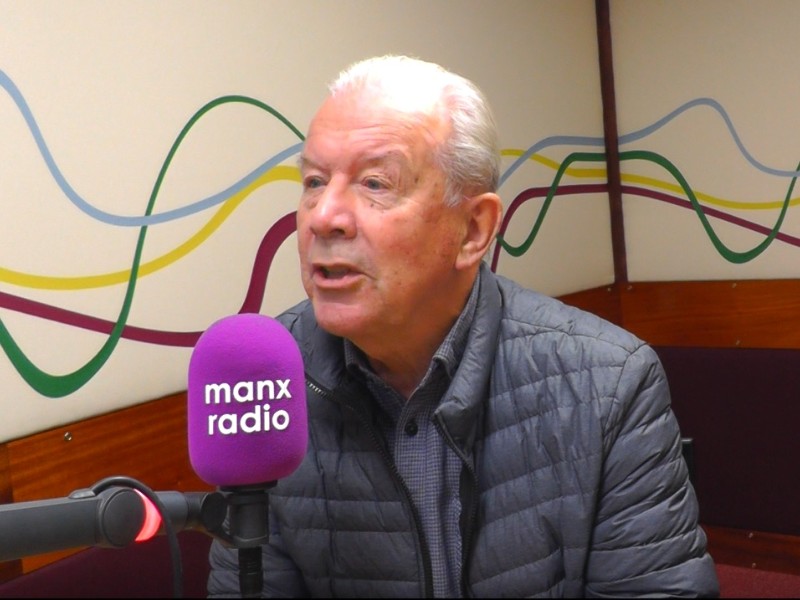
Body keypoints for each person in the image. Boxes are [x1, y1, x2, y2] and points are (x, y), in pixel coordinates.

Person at [208, 54, 719, 597]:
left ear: (473, 230)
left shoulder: (608, 385)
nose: (323, 215)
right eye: (313, 181)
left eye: (375, 183)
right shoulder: (265, 382)